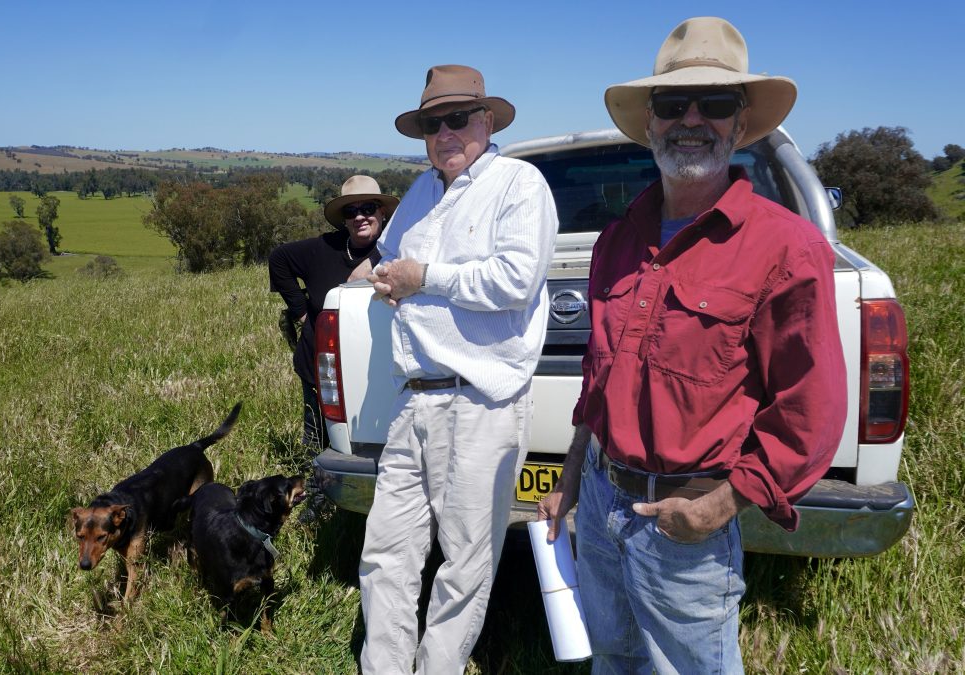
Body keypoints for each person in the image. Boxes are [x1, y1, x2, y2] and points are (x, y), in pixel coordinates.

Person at [536, 17, 848, 672]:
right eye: (674, 104)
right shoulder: (616, 241)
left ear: (741, 126)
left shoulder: (786, 247)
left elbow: (808, 410)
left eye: (717, 104)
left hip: (686, 519)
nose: (693, 119)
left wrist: (720, 503)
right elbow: (599, 379)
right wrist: (570, 477)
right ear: (651, 123)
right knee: (613, 659)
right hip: (599, 500)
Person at [359, 64, 557, 673]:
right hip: (413, 399)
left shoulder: (519, 184)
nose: (444, 132)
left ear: (487, 121)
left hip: (480, 402)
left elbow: (516, 279)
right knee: (385, 553)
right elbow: (390, 260)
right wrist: (384, 280)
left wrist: (427, 278)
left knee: (465, 564)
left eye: (457, 119)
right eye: (431, 123)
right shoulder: (420, 193)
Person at [268, 175, 398, 449]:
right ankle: (315, 486)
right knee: (316, 438)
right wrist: (302, 312)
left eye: (368, 208)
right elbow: (278, 258)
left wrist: (374, 260)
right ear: (344, 219)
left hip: (374, 366)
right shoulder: (324, 248)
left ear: (382, 212)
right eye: (351, 211)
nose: (360, 217)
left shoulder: (397, 248)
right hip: (320, 365)